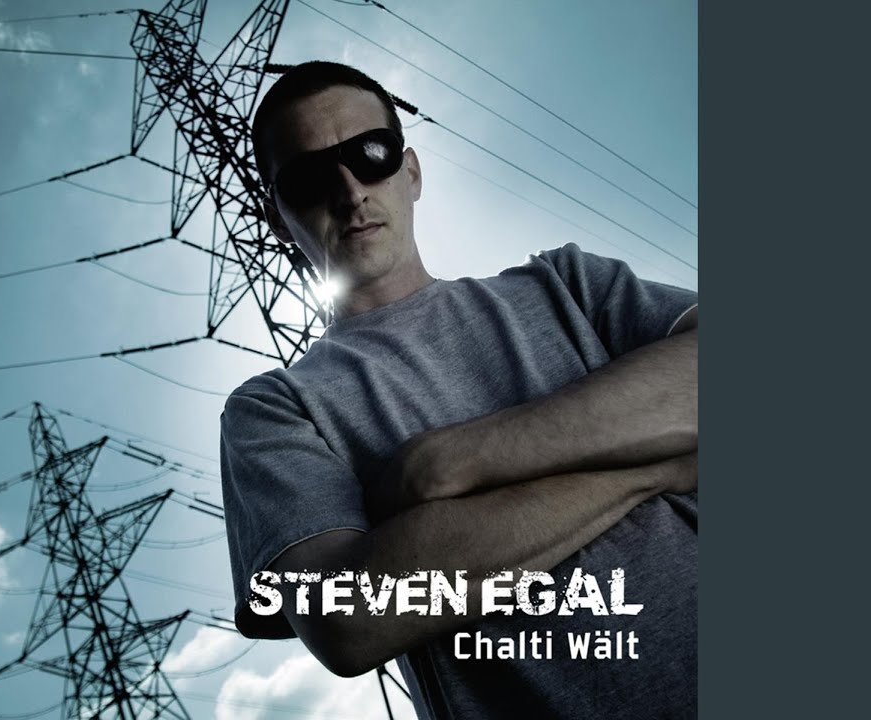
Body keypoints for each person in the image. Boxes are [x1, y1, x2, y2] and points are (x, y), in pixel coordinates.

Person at [220, 61, 698, 719]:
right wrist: (652, 468)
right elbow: (346, 618)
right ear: (278, 217)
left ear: (411, 172)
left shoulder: (565, 284)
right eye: (308, 177)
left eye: (371, 154)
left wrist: (452, 464)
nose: (350, 191)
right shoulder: (276, 408)